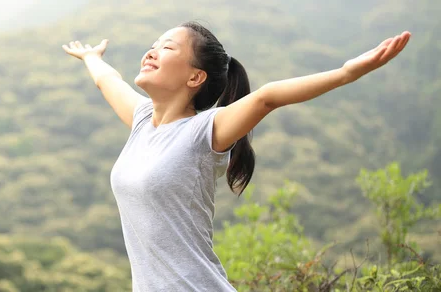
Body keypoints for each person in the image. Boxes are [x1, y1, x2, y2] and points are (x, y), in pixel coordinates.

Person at [62, 21, 411, 291]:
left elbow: (267, 97)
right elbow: (107, 80)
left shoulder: (204, 131)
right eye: (151, 46)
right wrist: (92, 58)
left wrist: (347, 73)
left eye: (166, 48)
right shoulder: (141, 121)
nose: (150, 52)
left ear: (196, 76)